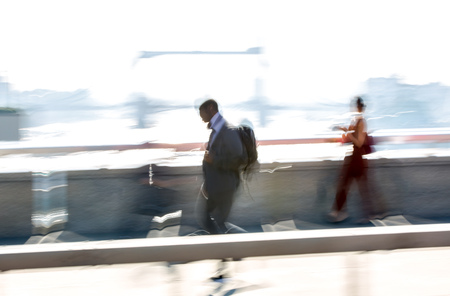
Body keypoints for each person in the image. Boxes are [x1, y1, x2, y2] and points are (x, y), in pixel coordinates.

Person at [197, 99, 247, 234]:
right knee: (211, 221)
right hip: (215, 187)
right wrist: (207, 184)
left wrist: (215, 160)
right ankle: (228, 248)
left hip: (225, 187)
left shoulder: (228, 130)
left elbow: (239, 159)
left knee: (216, 222)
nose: (200, 116)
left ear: (211, 108)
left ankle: (241, 243)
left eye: (201, 111)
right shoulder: (216, 130)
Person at [328, 97, 376, 223]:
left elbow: (359, 143)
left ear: (359, 108)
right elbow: (353, 137)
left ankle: (341, 212)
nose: (354, 109)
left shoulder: (361, 122)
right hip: (353, 157)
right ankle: (342, 212)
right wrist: (345, 130)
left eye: (356, 106)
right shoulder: (356, 120)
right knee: (350, 185)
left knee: (352, 186)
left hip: (357, 159)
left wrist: (348, 133)